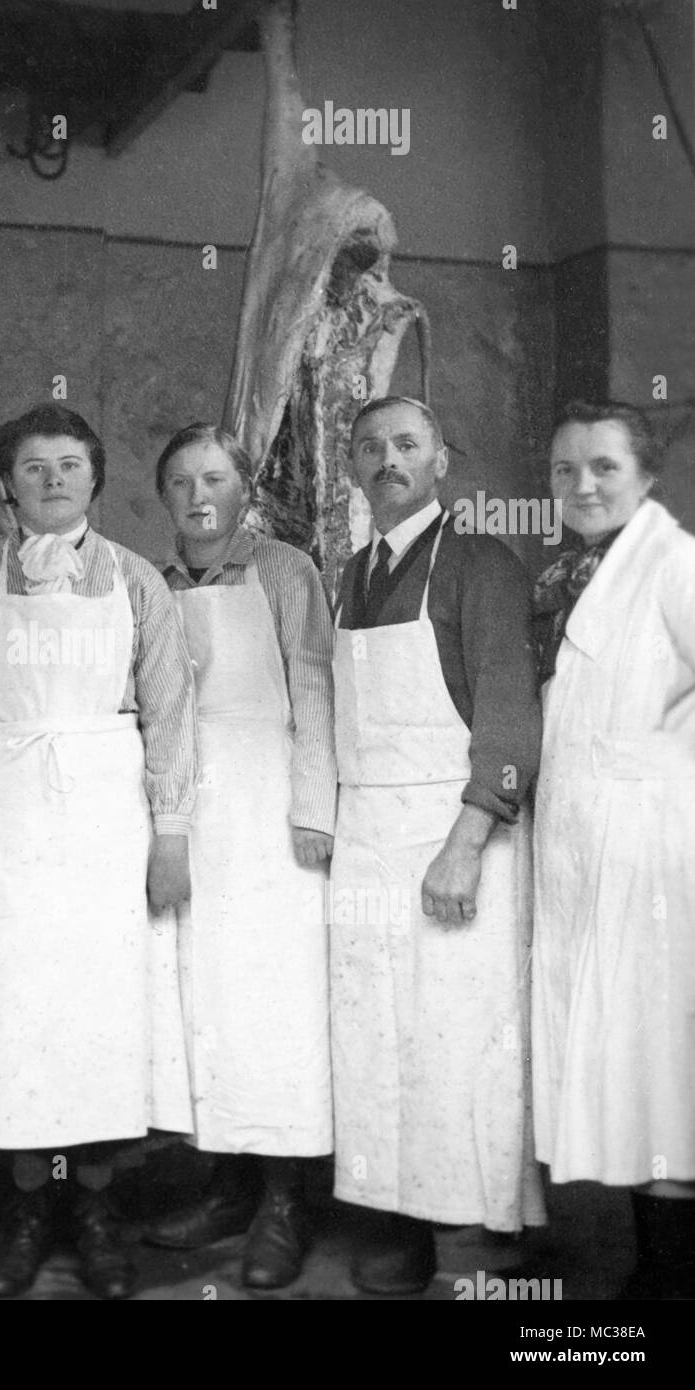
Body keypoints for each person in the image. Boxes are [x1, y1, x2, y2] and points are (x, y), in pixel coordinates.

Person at [0, 403, 197, 1299]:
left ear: (94, 477)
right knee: (18, 1015)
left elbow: (170, 720)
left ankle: (97, 1212)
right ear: (6, 481)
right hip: (4, 821)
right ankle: (32, 1207)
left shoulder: (137, 584)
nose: (51, 481)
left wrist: (170, 837)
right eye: (32, 467)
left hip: (106, 824)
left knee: (99, 1020)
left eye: (68, 464)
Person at [330, 395, 545, 1294]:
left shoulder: (478, 562)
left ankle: (477, 1228)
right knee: (375, 1033)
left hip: (456, 830)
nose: (388, 460)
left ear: (440, 461)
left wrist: (465, 841)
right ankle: (395, 1221)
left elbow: (508, 712)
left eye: (406, 444)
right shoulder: (349, 572)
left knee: (457, 1034)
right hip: (367, 830)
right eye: (371, 447)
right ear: (352, 467)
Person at [142, 424, 335, 1289]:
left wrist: (313, 810)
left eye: (213, 477)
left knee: (275, 1004)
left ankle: (284, 1204)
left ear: (243, 485)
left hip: (270, 806)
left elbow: (315, 689)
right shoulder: (151, 583)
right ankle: (225, 1188)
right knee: (203, 1001)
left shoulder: (287, 570)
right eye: (179, 481)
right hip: (189, 812)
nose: (196, 494)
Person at [531, 400, 695, 1299]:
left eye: (602, 468)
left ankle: (669, 1278)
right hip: (580, 844)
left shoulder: (674, 563)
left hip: (655, 851)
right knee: (607, 1062)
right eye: (565, 471)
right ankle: (622, 1269)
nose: (582, 485)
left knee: (657, 1066)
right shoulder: (572, 577)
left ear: (645, 476)